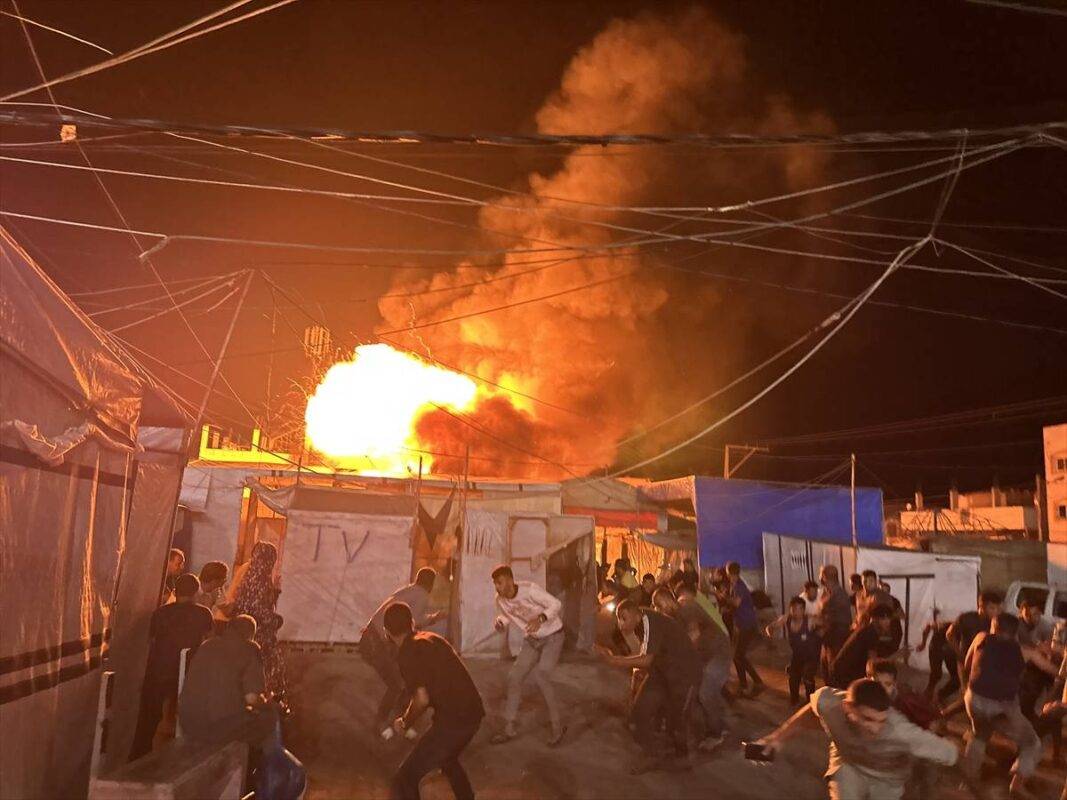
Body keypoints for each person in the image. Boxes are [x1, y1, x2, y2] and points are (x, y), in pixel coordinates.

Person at [757, 678, 958, 800]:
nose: (876, 728)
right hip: (849, 765)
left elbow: (950, 752)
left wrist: (955, 746)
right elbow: (813, 710)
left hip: (887, 778)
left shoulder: (901, 731)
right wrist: (777, 737)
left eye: (882, 721)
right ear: (848, 709)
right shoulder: (831, 703)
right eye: (868, 719)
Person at [384, 602, 484, 800]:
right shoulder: (432, 638)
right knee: (447, 759)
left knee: (404, 779)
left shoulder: (406, 653)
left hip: (453, 723)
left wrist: (405, 721)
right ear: (412, 622)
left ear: (387, 632)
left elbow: (421, 699)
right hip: (474, 713)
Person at [596, 599, 701, 773]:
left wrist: (614, 660)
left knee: (676, 718)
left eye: (623, 618)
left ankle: (682, 757)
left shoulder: (650, 621)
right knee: (638, 713)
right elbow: (646, 655)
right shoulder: (641, 623)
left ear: (636, 615)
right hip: (661, 672)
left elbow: (646, 659)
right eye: (619, 619)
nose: (620, 624)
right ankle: (652, 754)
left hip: (684, 674)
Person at [130, 573, 214, 760]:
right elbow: (209, 641)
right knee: (187, 720)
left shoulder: (160, 613)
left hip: (158, 670)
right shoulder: (203, 613)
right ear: (195, 592)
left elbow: (151, 641)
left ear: (175, 591)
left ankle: (138, 760)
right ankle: (183, 760)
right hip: (187, 671)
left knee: (148, 720)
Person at [961, 612, 1043, 800]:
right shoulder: (1025, 651)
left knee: (979, 735)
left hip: (973, 699)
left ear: (994, 627)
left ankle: (967, 783)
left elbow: (967, 664)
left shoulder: (981, 638)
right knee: (1032, 743)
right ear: (1014, 633)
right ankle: (1017, 784)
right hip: (1003, 707)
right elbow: (1053, 670)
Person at [362, 568, 446, 740]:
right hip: (377, 643)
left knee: (405, 680)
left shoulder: (407, 590)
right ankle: (382, 724)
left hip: (373, 639)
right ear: (430, 584)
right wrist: (434, 618)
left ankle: (402, 722)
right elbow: (413, 622)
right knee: (398, 684)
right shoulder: (422, 595)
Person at [489, 565, 566, 746]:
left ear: (509, 580)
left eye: (499, 583)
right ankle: (509, 728)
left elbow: (556, 604)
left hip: (553, 636)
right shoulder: (500, 600)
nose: (497, 588)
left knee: (542, 676)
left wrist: (540, 619)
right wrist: (500, 623)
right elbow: (507, 616)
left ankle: (558, 727)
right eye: (495, 584)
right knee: (514, 678)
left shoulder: (530, 590)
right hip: (532, 639)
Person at [178, 614, 277, 749]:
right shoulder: (250, 649)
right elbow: (251, 698)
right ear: (251, 635)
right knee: (269, 718)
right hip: (218, 726)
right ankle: (247, 767)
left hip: (189, 723)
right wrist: (266, 702)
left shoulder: (208, 645)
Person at [653, 586, 732, 751]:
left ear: (669, 599)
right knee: (697, 693)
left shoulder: (686, 607)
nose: (660, 610)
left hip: (719, 653)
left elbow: (694, 635)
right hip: (705, 657)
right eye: (657, 607)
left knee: (705, 692)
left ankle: (716, 734)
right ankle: (720, 725)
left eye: (660, 605)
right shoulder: (674, 618)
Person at [866, 659, 944, 800]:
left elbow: (935, 722)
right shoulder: (864, 697)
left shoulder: (907, 699)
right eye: (877, 684)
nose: (882, 689)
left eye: (887, 684)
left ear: (894, 684)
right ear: (867, 680)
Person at [230, 541, 286, 700]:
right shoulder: (261, 580)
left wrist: (275, 592)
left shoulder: (248, 576)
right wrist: (277, 621)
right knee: (265, 674)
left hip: (243, 633)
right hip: (258, 636)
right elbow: (260, 610)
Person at [766, 596, 822, 707]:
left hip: (811, 655)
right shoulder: (786, 619)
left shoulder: (810, 620)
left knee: (807, 677)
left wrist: (820, 632)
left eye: (800, 609)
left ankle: (811, 703)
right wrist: (770, 631)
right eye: (794, 609)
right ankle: (794, 700)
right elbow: (770, 627)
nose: (797, 612)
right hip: (797, 655)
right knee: (793, 678)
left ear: (803, 610)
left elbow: (825, 622)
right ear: (790, 609)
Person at [830, 605, 899, 689]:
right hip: (844, 675)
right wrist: (897, 655)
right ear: (875, 619)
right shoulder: (871, 633)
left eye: (889, 619)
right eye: (885, 619)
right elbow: (873, 664)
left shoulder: (866, 629)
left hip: (842, 672)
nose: (888, 623)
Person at [724, 561, 765, 698]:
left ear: (730, 573)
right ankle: (744, 685)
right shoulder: (735, 585)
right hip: (742, 624)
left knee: (738, 656)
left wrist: (723, 597)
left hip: (747, 625)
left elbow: (736, 603)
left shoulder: (740, 586)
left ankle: (755, 682)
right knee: (737, 656)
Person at [818, 565, 854, 685]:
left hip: (837, 635)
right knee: (826, 666)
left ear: (824, 576)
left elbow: (839, 618)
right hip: (829, 635)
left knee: (833, 666)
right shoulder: (829, 592)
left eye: (821, 574)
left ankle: (834, 693)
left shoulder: (839, 594)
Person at [914, 610, 959, 706]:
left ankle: (938, 696)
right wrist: (923, 643)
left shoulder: (958, 631)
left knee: (955, 678)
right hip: (937, 648)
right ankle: (931, 695)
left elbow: (928, 627)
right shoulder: (946, 626)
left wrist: (923, 643)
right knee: (937, 674)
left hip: (945, 649)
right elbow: (929, 626)